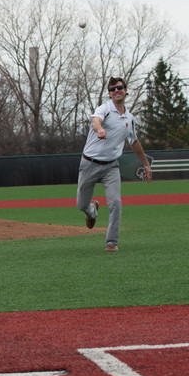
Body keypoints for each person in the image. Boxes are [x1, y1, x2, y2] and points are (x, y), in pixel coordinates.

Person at [76, 77, 152, 252]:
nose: (117, 90)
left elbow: (134, 142)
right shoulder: (105, 109)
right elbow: (96, 121)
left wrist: (146, 164)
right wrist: (100, 129)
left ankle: (112, 242)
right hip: (89, 163)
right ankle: (92, 210)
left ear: (126, 90)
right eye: (113, 89)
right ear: (109, 93)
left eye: (120, 87)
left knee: (116, 202)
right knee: (81, 205)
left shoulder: (129, 118)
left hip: (111, 166)